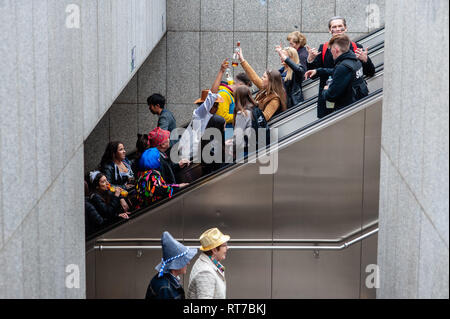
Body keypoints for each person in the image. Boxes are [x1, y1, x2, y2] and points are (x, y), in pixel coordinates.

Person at [305, 16, 375, 118]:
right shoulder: (323, 48)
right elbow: (313, 75)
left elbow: (370, 72)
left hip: (348, 100)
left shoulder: (356, 47)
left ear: (345, 28)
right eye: (334, 27)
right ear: (330, 30)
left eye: (340, 26)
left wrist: (366, 60)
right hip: (328, 98)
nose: (337, 29)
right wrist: (310, 60)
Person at [177, 60, 227, 161]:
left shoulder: (211, 119)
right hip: (188, 156)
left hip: (195, 155)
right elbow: (212, 95)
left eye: (217, 105)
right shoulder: (200, 114)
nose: (217, 108)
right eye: (215, 105)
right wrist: (221, 71)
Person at [307, 34, 369, 111]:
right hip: (356, 106)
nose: (330, 52)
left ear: (336, 50)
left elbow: (331, 95)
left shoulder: (343, 66)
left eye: (331, 49)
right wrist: (318, 71)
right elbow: (338, 71)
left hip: (345, 111)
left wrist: (326, 89)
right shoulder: (355, 61)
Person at [236, 47, 287, 121]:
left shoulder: (275, 100)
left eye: (264, 77)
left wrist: (247, 113)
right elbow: (254, 78)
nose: (261, 78)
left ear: (270, 82)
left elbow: (264, 117)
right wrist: (242, 60)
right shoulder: (266, 89)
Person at [145, 231, 197, 299]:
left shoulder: (166, 281)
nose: (188, 263)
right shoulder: (165, 288)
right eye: (184, 261)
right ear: (175, 265)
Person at [187, 228, 230, 299]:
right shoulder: (205, 273)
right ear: (214, 250)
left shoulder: (212, 264)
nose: (227, 248)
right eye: (224, 245)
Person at [216, 72, 252, 139]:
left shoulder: (233, 94)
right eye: (245, 88)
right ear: (240, 85)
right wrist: (240, 116)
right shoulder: (224, 94)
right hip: (225, 133)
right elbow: (222, 117)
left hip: (230, 132)